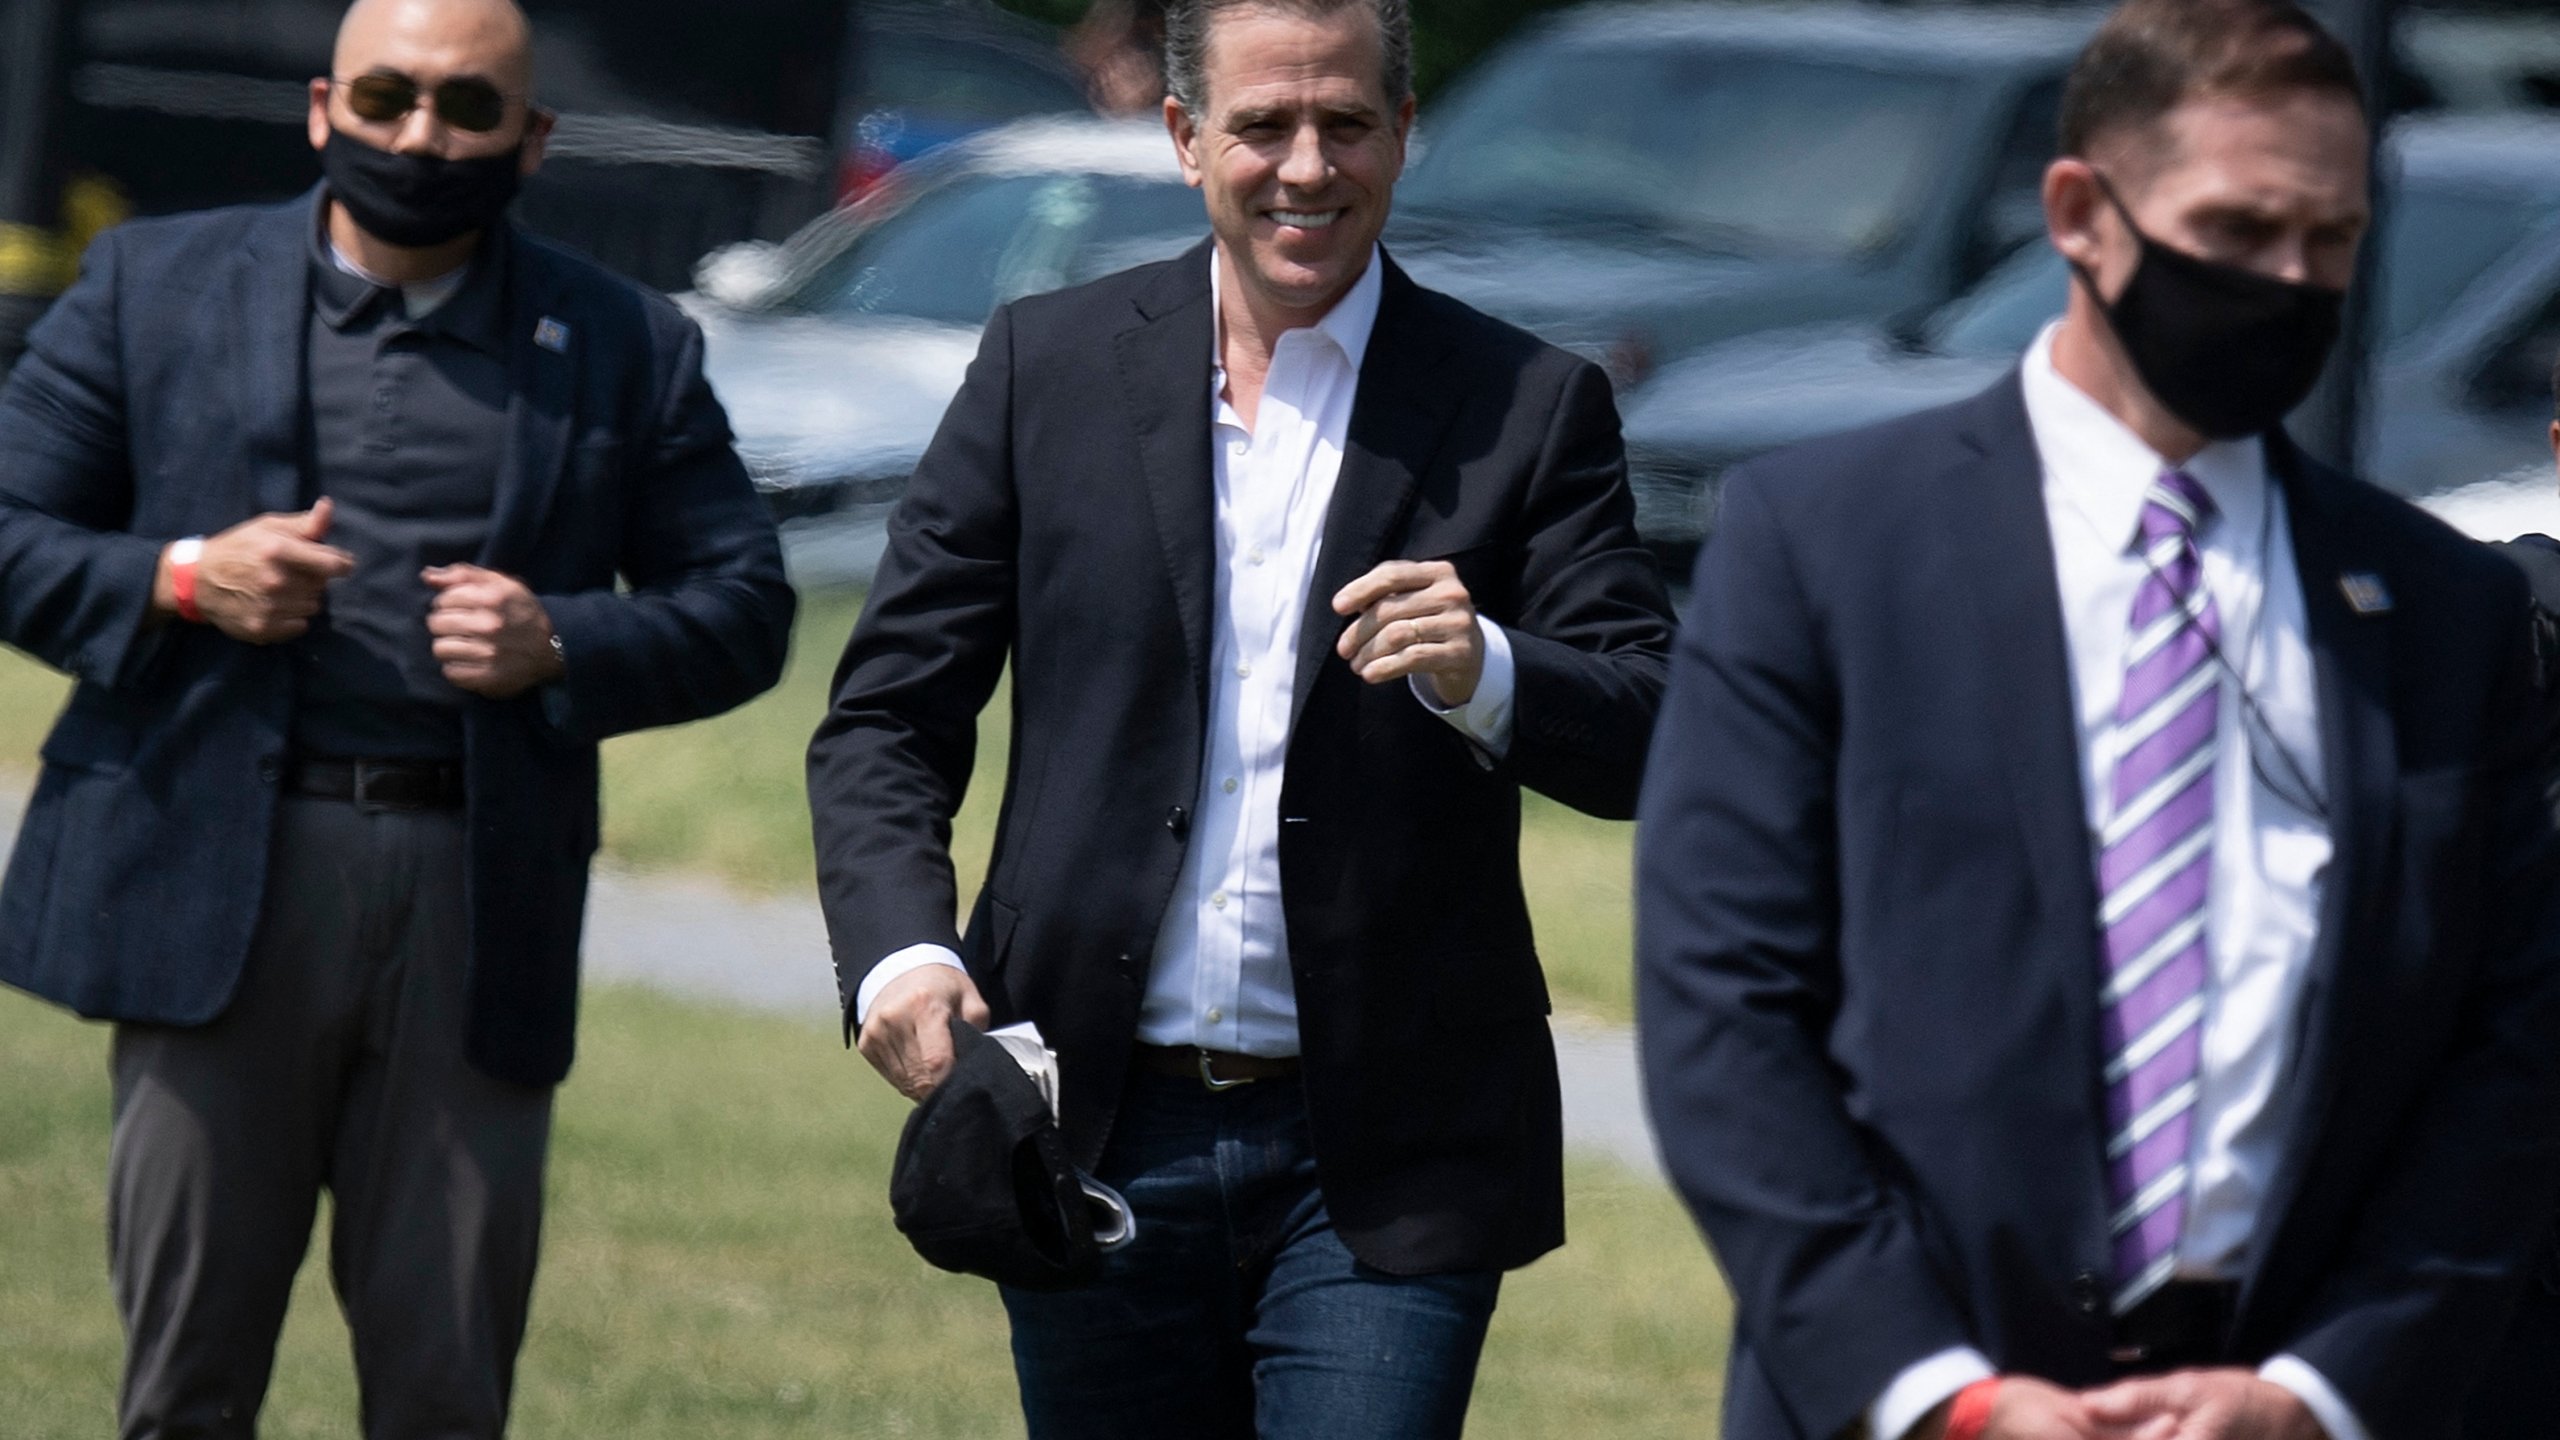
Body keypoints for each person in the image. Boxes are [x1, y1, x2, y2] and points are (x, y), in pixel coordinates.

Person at [1634, 2, 2560, 1438]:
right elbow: (1723, 1011)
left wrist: (2320, 1390)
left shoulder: (2438, 610)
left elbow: (2507, 1051)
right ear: (2082, 211)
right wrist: (1941, 1392)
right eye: (2241, 231)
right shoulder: (1823, 547)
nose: (2291, 281)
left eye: (2331, 240)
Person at [806, 0, 1676, 1433]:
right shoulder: (1048, 368)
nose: (1305, 167)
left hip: (1388, 1153)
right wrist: (901, 952)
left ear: (1407, 132)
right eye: (1264, 125)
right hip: (1088, 1122)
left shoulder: (1527, 404)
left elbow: (1650, 721)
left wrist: (1492, 671)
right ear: (1183, 135)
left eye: (1345, 123)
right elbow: (888, 714)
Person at [0, 0, 794, 1433]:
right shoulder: (151, 285)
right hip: (210, 884)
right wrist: (183, 577)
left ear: (531, 139)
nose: (423, 133)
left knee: (444, 1387)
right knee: (183, 1385)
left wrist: (565, 638)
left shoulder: (623, 342)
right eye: (388, 96)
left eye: (467, 108)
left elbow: (744, 608)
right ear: (324, 109)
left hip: (472, 897)